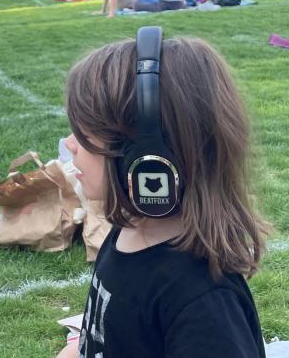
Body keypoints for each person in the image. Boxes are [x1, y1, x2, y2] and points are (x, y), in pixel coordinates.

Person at [58, 34, 267, 358]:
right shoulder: (128, 231)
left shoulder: (201, 303)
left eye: (85, 134)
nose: (70, 144)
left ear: (149, 162)